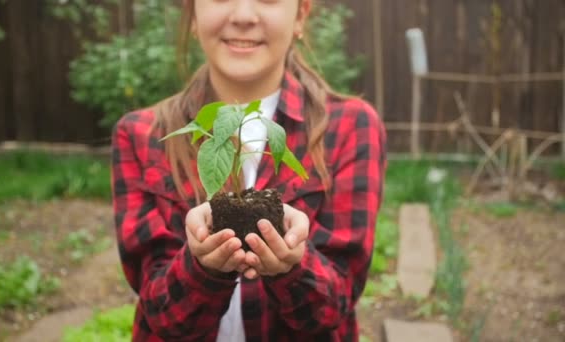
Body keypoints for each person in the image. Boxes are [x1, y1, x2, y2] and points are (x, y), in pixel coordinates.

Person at [110, 0, 387, 341]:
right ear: (192, 15)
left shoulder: (351, 127)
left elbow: (332, 308)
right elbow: (164, 315)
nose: (243, 16)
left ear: (300, 15)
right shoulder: (141, 134)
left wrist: (294, 264)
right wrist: (200, 267)